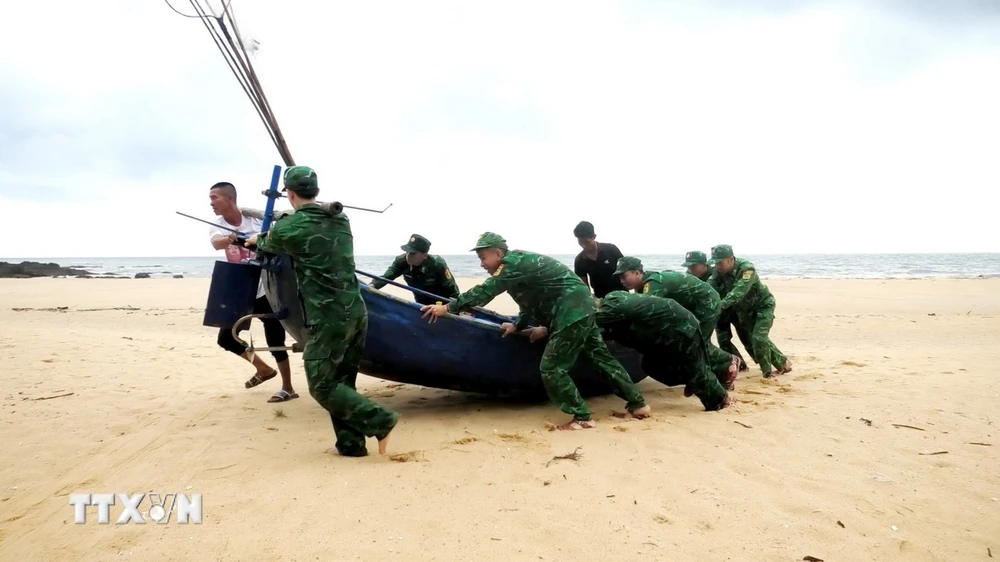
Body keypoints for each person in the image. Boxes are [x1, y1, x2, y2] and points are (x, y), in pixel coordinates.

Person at [419, 232, 650, 430]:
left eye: (483, 257)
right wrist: (519, 325)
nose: (481, 264)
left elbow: (486, 291)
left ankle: (582, 418)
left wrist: (448, 307)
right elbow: (529, 303)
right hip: (581, 308)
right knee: (602, 358)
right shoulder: (516, 269)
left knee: (552, 367)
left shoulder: (511, 265)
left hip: (571, 311)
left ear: (498, 254)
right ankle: (639, 405)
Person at [247, 166, 399, 456]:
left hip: (327, 317)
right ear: (316, 191)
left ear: (289, 194)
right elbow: (308, 226)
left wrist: (257, 238)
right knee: (343, 383)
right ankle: (351, 445)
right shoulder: (340, 218)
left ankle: (381, 420)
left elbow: (266, 243)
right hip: (356, 310)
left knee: (321, 385)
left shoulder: (289, 228)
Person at [207, 181, 297, 403]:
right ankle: (264, 369)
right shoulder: (217, 224)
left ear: (229, 199)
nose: (211, 203)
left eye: (214, 198)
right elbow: (217, 243)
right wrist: (229, 239)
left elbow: (277, 240)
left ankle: (288, 387)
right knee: (227, 338)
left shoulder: (257, 218)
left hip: (266, 284)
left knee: (274, 335)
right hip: (239, 285)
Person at [614, 256, 739, 389]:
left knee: (697, 343)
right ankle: (713, 376)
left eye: (624, 275)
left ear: (637, 273)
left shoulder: (652, 284)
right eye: (620, 277)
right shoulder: (642, 287)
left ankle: (728, 361)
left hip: (706, 304)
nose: (622, 280)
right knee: (691, 343)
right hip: (690, 307)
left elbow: (646, 314)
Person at [595, 291, 732, 411]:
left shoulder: (607, 312)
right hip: (666, 332)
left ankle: (722, 400)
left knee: (694, 369)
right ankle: (697, 380)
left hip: (680, 328)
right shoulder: (612, 297)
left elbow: (590, 328)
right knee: (650, 365)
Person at [708, 244, 792, 378]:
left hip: (763, 305)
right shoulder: (719, 271)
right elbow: (709, 286)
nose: (717, 266)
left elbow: (738, 292)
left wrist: (721, 305)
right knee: (756, 339)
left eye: (720, 263)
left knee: (759, 337)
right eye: (715, 263)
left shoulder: (747, 269)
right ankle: (783, 363)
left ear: (730, 259)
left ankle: (767, 372)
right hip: (744, 309)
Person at [683, 250, 750, 372]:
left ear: (704, 264)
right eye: (689, 266)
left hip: (731, 308)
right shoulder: (689, 276)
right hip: (715, 312)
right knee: (723, 340)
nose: (690, 269)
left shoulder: (717, 273)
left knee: (748, 339)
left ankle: (776, 361)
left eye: (694, 266)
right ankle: (739, 364)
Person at [370, 234, 461, 305]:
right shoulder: (401, 261)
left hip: (441, 304)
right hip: (421, 303)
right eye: (407, 252)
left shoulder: (437, 264)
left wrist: (457, 307)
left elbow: (452, 289)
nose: (408, 256)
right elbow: (387, 276)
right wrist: (373, 285)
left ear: (424, 255)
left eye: (413, 253)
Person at [572, 221, 625, 298]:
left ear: (594, 236)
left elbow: (627, 269)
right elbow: (584, 286)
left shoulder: (611, 249)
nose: (583, 245)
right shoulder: (579, 260)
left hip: (622, 294)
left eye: (586, 242)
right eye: (580, 242)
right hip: (601, 298)